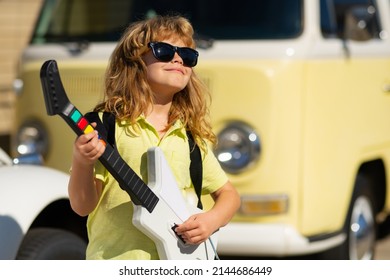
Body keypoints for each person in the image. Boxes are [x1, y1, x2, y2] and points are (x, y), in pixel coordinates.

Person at [67, 14, 240, 260]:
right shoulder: (107, 126)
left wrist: (211, 220)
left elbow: (229, 195)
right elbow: (82, 207)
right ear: (135, 60)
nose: (179, 58)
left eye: (188, 55)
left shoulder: (189, 135)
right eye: (165, 51)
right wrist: (82, 161)